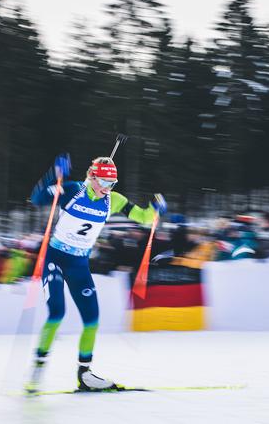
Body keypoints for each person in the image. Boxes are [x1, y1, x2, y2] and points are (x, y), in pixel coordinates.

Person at [27, 153, 167, 392]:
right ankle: (38, 369)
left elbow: (143, 218)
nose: (106, 189)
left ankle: (85, 374)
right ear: (91, 177)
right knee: (57, 313)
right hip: (55, 259)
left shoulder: (114, 200)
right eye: (103, 182)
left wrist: (155, 209)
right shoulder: (72, 190)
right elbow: (37, 198)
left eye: (111, 184)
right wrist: (55, 174)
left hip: (79, 264)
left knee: (92, 320)